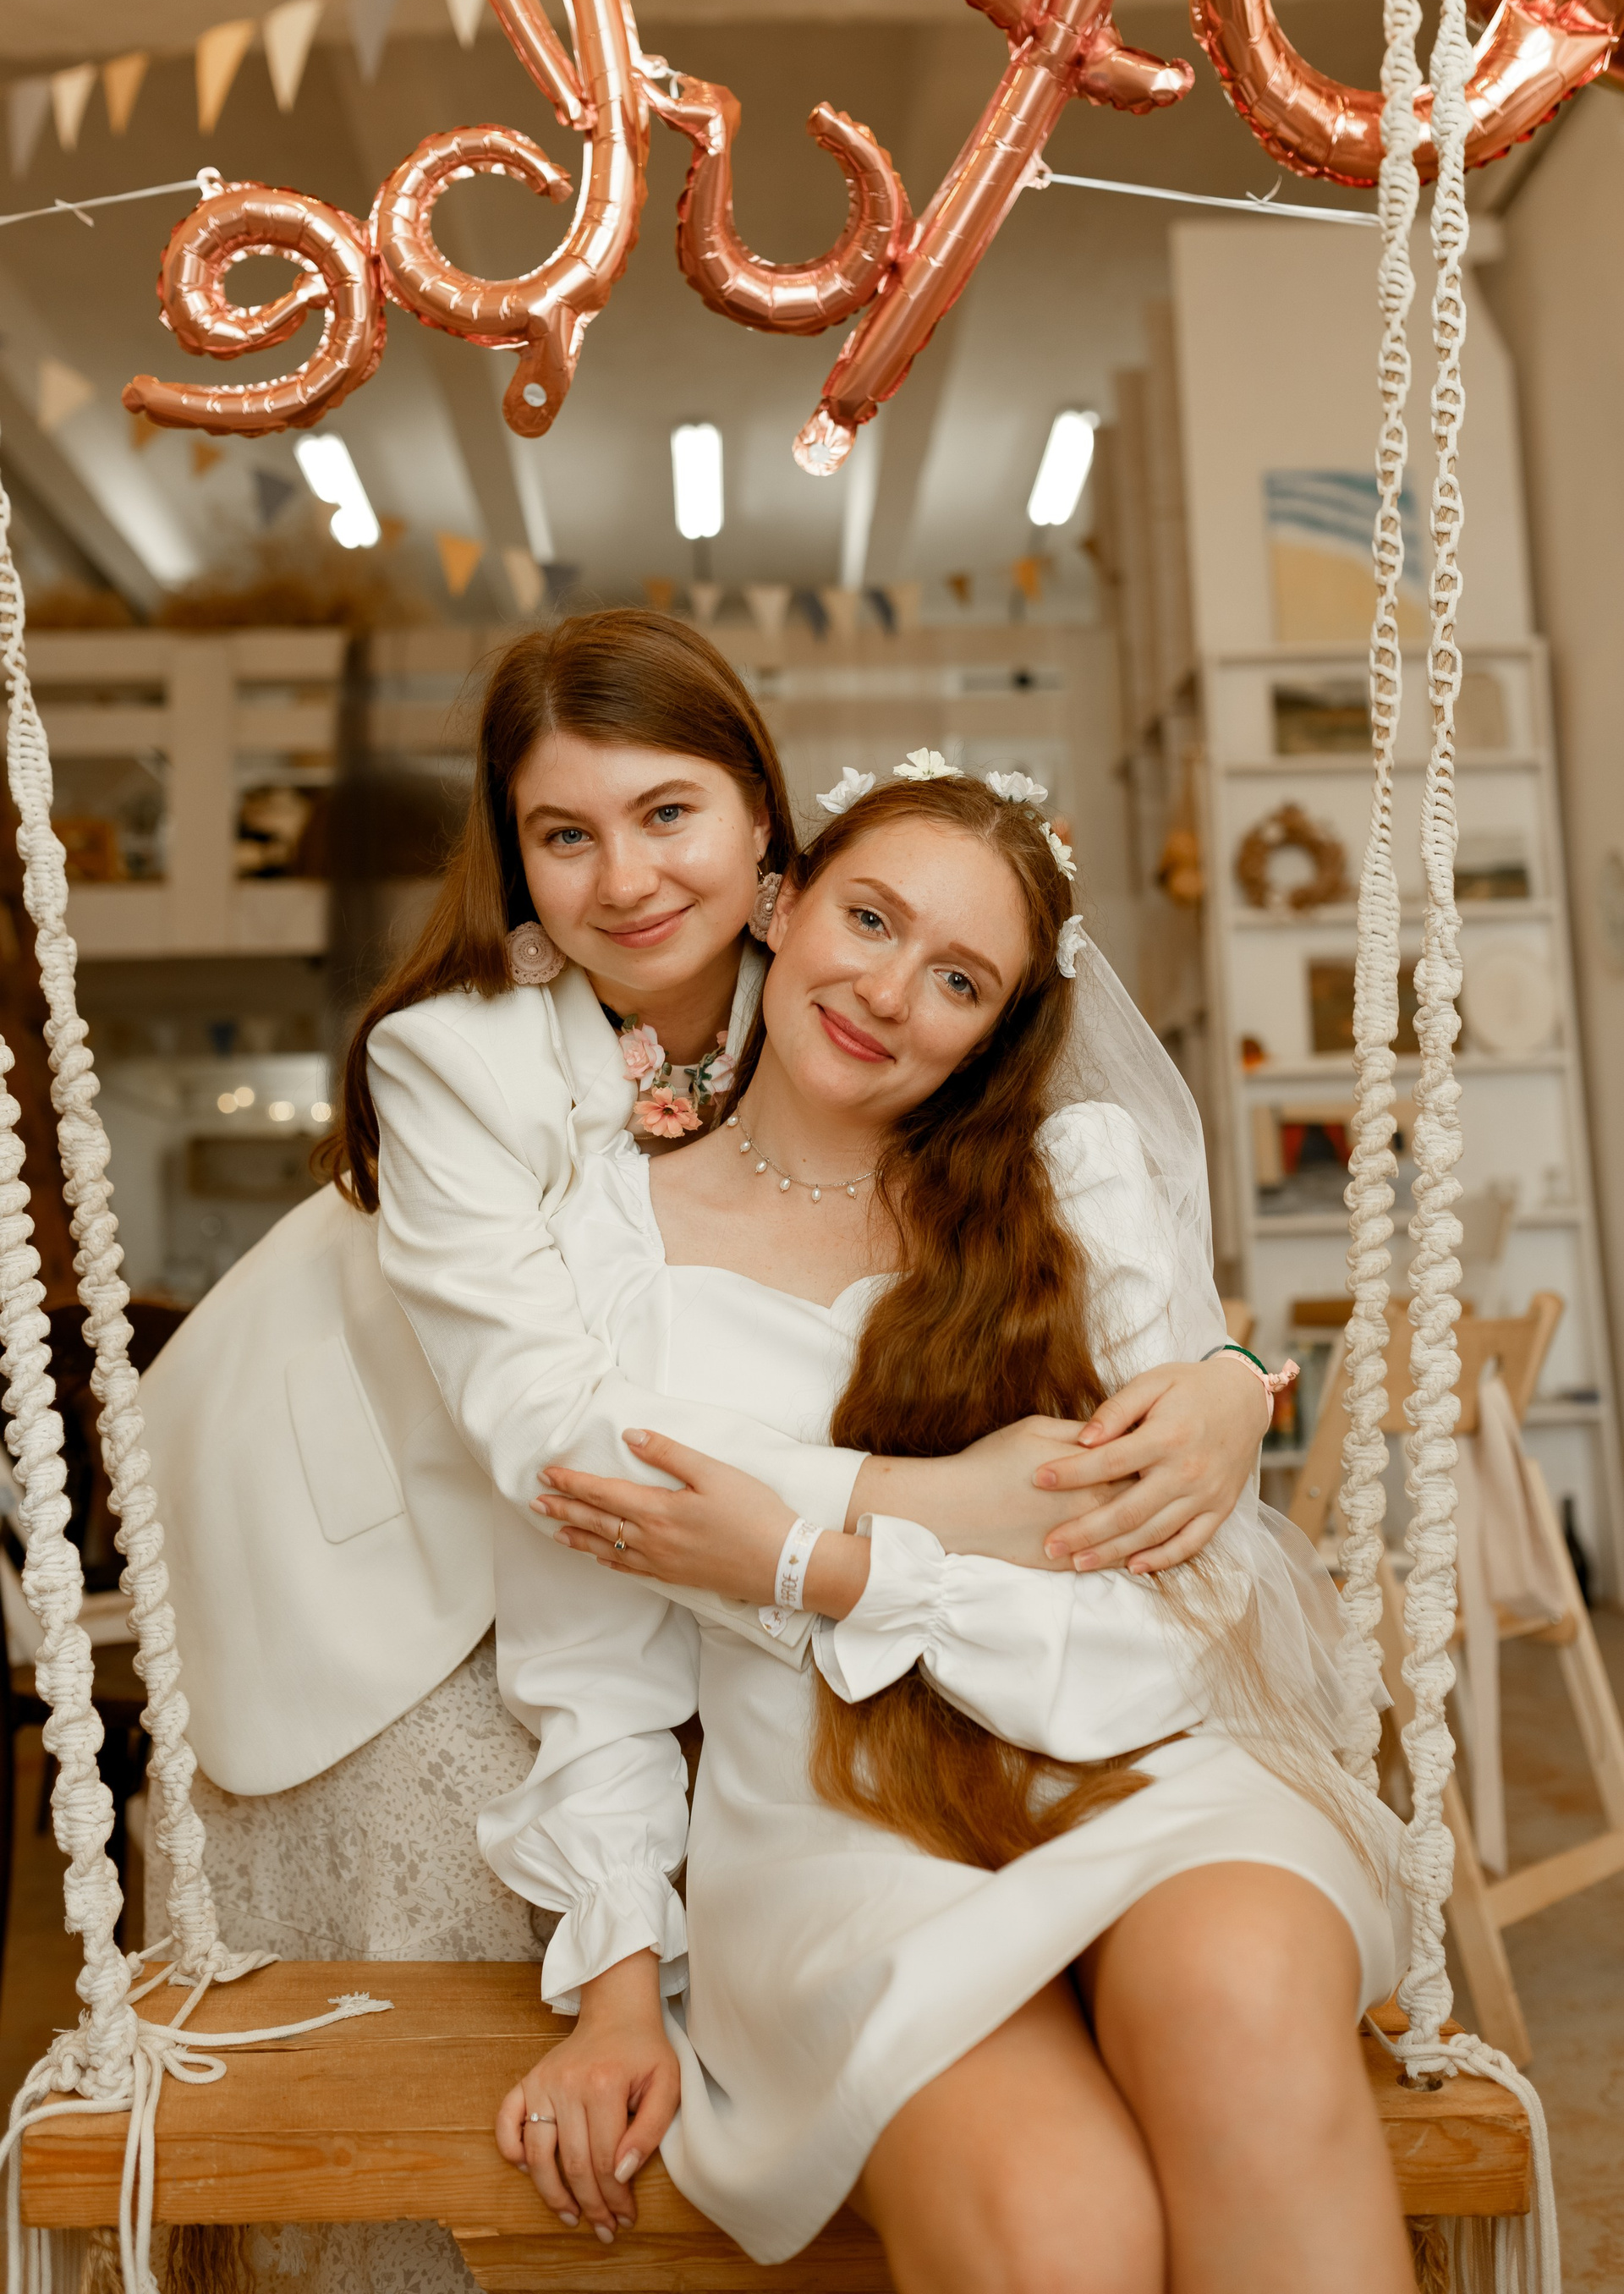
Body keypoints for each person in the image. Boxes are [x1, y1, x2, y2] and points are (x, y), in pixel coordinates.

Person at [140, 617, 1267, 2294]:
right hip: (373, 1496)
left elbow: (1047, 1249)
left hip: (714, 1566)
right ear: (514, 859)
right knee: (453, 1917)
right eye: (563, 833)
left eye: (668, 813)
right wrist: (934, 1508)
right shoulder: (453, 1057)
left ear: (766, 832)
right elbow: (563, 1442)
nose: (626, 880)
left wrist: (1228, 1377)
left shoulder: (843, 968)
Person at [484, 764, 1413, 2294]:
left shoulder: (1072, 1191)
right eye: (871, 919)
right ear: (783, 903)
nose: (888, 992)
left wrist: (817, 1563)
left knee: (1242, 2013)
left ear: (997, 1028)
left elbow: (1153, 1573)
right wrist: (618, 1999)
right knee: (1056, 2226)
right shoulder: (600, 1247)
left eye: (959, 979)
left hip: (1138, 1753)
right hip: (832, 1826)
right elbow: (592, 1666)